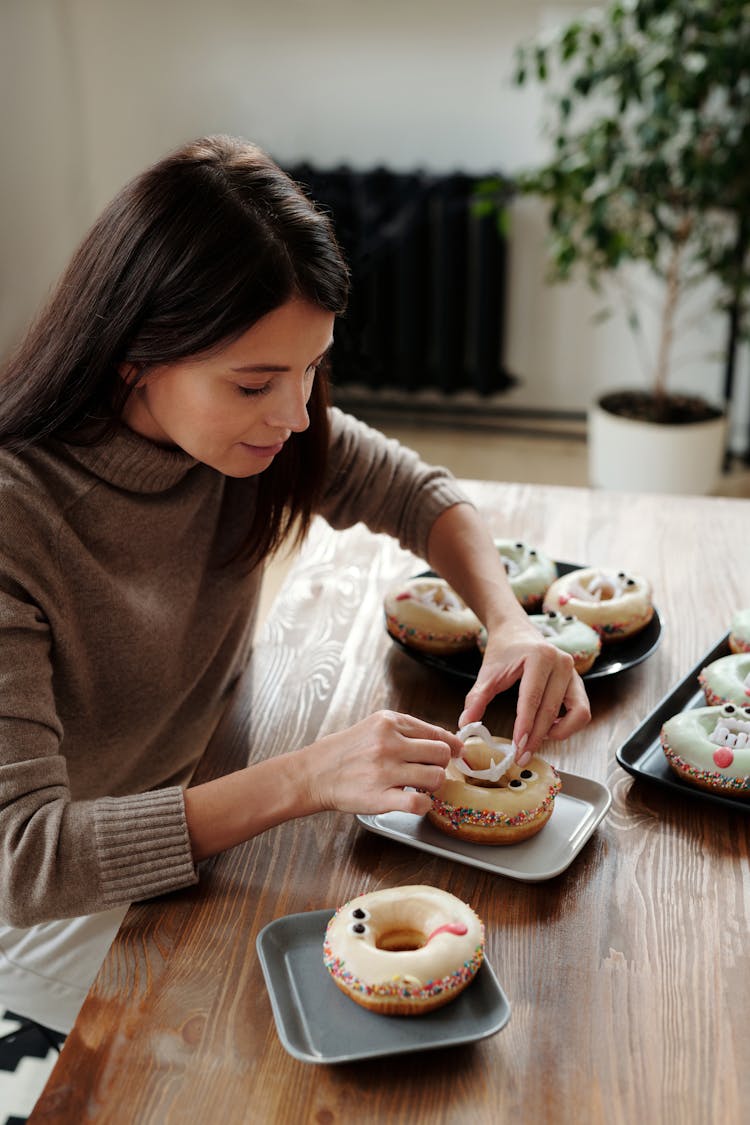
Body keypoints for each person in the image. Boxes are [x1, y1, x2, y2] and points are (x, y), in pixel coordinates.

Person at [0, 135, 591, 1033]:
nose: (293, 411)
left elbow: (417, 492)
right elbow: (25, 862)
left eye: (312, 367)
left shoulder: (264, 432)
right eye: (253, 382)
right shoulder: (17, 520)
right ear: (134, 355)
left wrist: (511, 623)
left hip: (209, 808)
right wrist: (309, 775)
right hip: (61, 915)